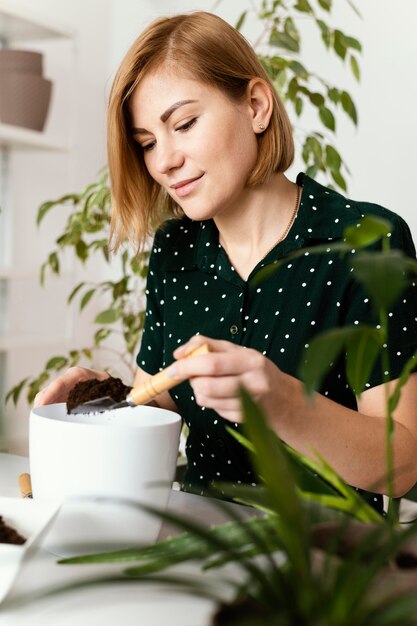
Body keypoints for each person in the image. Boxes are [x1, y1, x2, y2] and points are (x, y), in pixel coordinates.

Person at [35, 11, 417, 512]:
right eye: (147, 143)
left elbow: (403, 463)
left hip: (325, 565)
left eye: (185, 124)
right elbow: (166, 397)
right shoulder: (174, 250)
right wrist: (102, 398)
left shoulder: (367, 243)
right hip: (197, 541)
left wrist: (284, 404)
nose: (163, 161)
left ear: (256, 106)